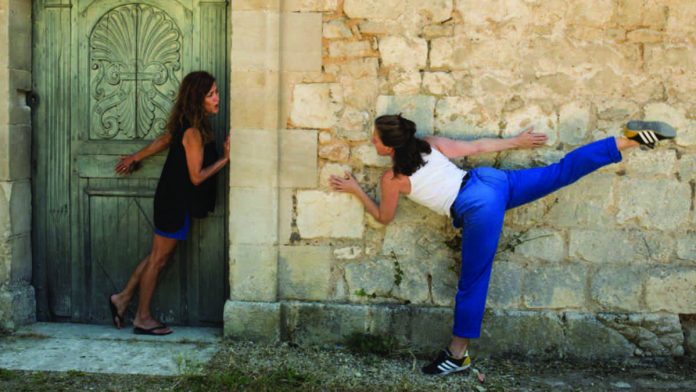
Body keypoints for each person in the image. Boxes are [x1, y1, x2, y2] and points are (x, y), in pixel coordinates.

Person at [330, 114, 676, 375]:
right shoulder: (430, 144)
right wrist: (516, 141)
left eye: (374, 139)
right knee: (559, 172)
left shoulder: (393, 179)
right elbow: (477, 147)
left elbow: (384, 216)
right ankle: (626, 142)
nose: (373, 143)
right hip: (489, 180)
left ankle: (457, 355)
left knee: (473, 281)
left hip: (480, 205)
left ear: (389, 147)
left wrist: (356, 190)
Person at [109, 71, 230, 335]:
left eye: (216, 92)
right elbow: (196, 177)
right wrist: (225, 158)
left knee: (157, 256)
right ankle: (142, 317)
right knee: (158, 260)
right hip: (174, 202)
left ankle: (122, 298)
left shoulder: (187, 123)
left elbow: (165, 140)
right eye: (211, 95)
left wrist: (135, 157)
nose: (217, 98)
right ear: (198, 99)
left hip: (173, 199)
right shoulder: (193, 132)